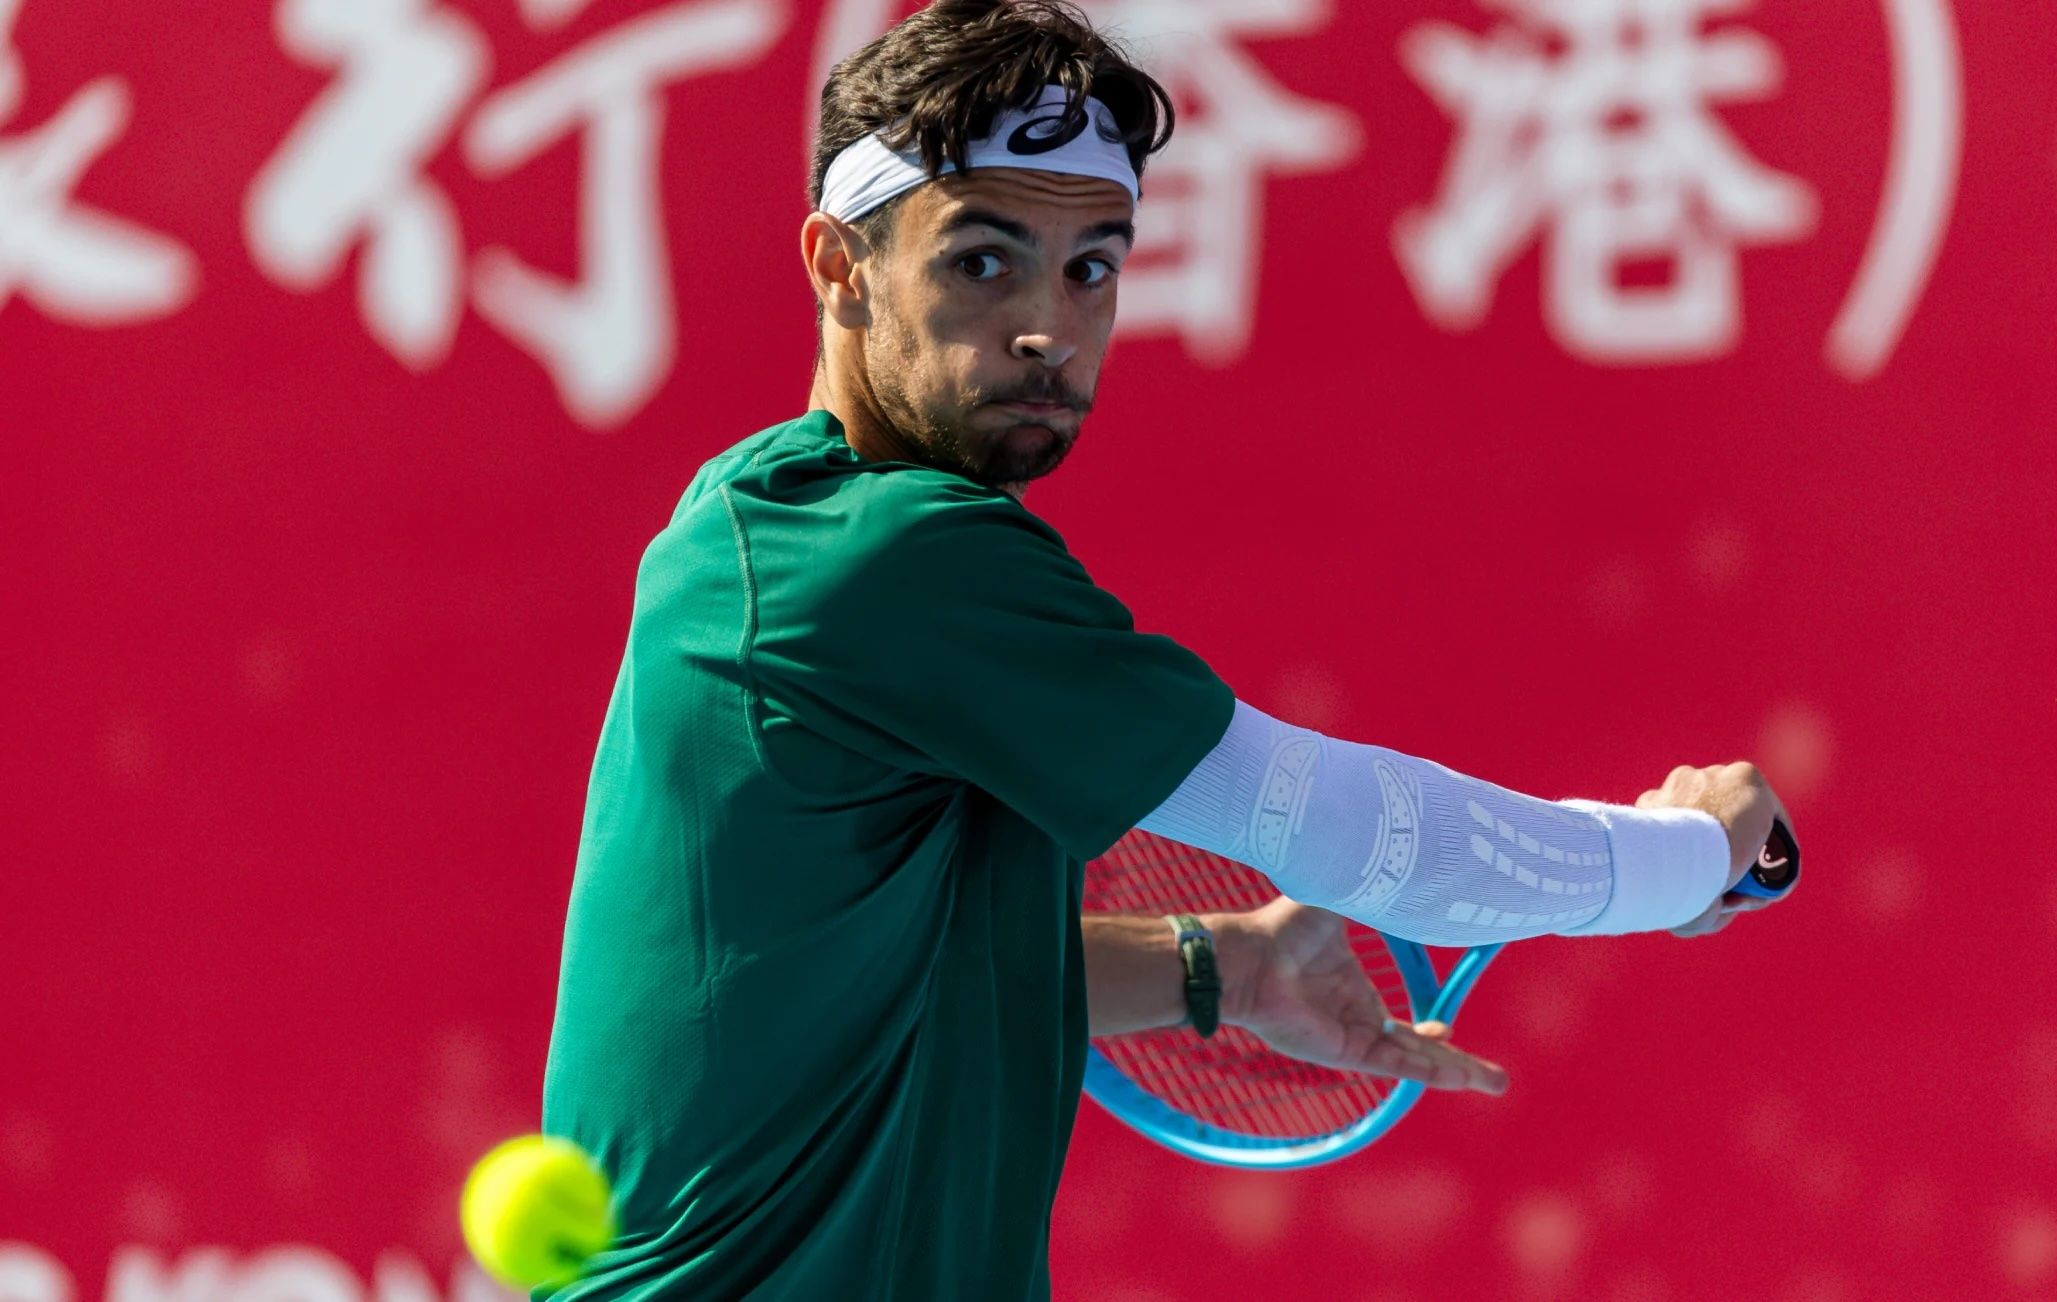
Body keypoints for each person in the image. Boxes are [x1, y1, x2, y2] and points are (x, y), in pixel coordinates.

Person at [542, 1, 1796, 1296]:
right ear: (837, 264)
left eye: (1093, 265)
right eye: (983, 260)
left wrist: (1225, 964)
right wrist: (1685, 856)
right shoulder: (889, 561)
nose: (1049, 326)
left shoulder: (751, 523)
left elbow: (884, 982)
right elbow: (1358, 832)